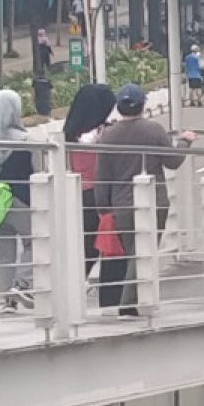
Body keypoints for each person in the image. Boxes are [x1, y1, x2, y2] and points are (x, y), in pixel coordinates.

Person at [94, 84, 196, 317]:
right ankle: (128, 303)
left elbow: (102, 177)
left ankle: (128, 301)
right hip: (154, 201)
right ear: (142, 105)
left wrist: (103, 209)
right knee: (144, 251)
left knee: (133, 251)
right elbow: (172, 162)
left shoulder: (107, 136)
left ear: (119, 108)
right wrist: (185, 141)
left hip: (121, 205)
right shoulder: (154, 130)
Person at [0, 90, 35, 313]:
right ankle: (21, 284)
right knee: (37, 241)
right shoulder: (25, 140)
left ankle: (8, 302)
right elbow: (37, 171)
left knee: (4, 252)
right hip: (21, 200)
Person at [64, 84, 116, 281]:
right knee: (101, 243)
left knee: (84, 245)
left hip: (77, 192)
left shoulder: (70, 132)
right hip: (99, 192)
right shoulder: (103, 133)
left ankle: (75, 282)